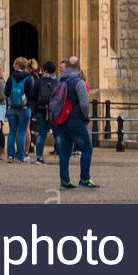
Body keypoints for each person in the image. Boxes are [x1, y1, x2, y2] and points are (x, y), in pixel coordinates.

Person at [51, 55, 97, 189]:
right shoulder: (79, 82)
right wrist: (85, 117)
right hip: (76, 121)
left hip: (62, 121)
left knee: (65, 152)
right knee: (87, 148)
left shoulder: (60, 80)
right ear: (78, 68)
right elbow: (84, 104)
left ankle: (65, 181)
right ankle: (85, 179)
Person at [5, 56, 34, 163]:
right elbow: (31, 94)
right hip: (24, 108)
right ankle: (20, 156)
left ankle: (10, 156)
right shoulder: (28, 78)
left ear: (16, 65)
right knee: (22, 132)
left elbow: (6, 92)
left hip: (12, 108)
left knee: (12, 132)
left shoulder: (11, 77)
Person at [31, 60, 58, 164]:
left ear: (45, 70)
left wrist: (34, 109)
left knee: (41, 135)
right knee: (57, 134)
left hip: (41, 110)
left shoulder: (39, 81)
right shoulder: (57, 81)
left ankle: (39, 157)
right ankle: (63, 156)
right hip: (53, 112)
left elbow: (33, 96)